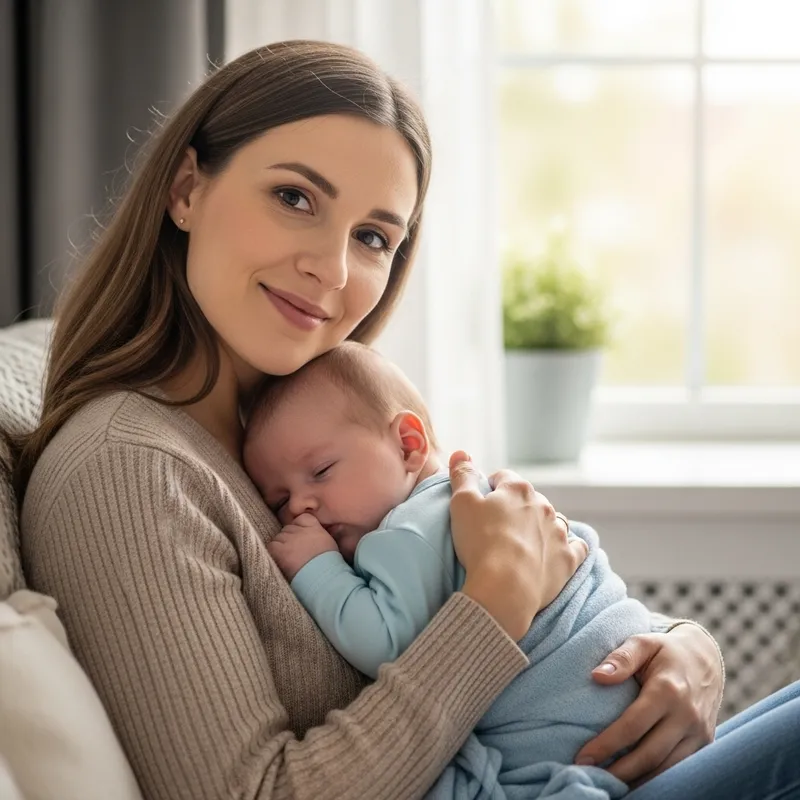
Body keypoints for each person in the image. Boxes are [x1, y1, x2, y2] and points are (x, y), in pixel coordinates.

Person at [9, 39, 756, 800]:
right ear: (186, 189)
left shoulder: (290, 430)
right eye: (295, 197)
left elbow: (514, 604)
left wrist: (682, 649)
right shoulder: (129, 468)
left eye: (372, 238)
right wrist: (494, 603)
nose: (332, 270)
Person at [243, 340, 652, 799]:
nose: (300, 505)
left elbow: (388, 645)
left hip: (565, 727)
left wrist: (317, 568)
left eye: (320, 470)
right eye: (279, 501)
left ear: (407, 446)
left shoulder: (406, 532)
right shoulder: (469, 498)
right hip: (619, 691)